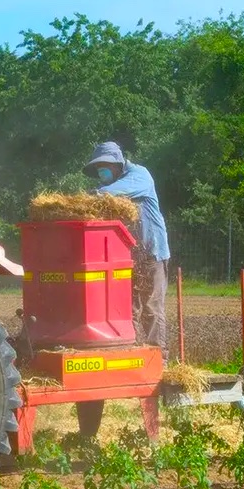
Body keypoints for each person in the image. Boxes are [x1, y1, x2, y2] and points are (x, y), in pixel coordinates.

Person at [85, 142, 170, 350]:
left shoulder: (139, 175)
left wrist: (91, 195)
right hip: (128, 257)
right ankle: (126, 352)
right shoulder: (109, 187)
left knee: (151, 307)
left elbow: (114, 192)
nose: (100, 171)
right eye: (97, 168)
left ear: (117, 164)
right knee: (126, 308)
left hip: (152, 253)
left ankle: (159, 358)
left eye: (103, 166)